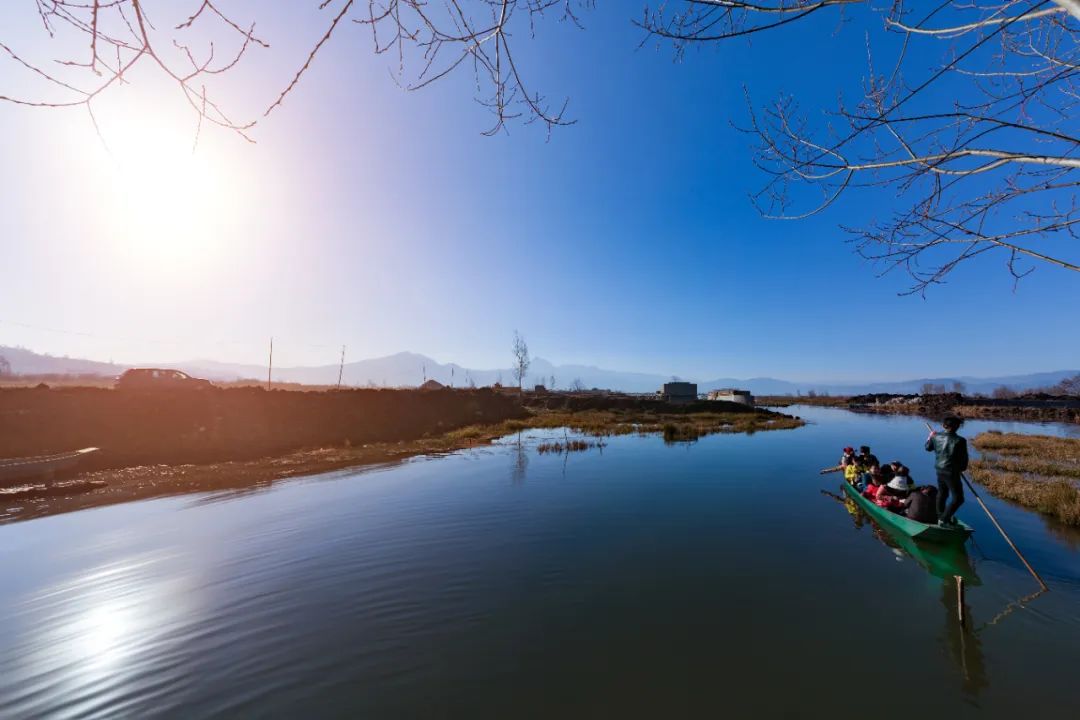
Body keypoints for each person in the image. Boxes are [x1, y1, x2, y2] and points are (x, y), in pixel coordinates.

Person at [926, 416, 969, 527]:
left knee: (942, 493)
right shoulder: (960, 440)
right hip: (951, 472)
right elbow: (964, 459)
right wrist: (962, 469)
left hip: (939, 469)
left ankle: (940, 516)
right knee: (958, 498)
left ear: (944, 426)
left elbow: (927, 448)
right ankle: (944, 519)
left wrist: (930, 437)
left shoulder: (936, 437)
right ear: (957, 427)